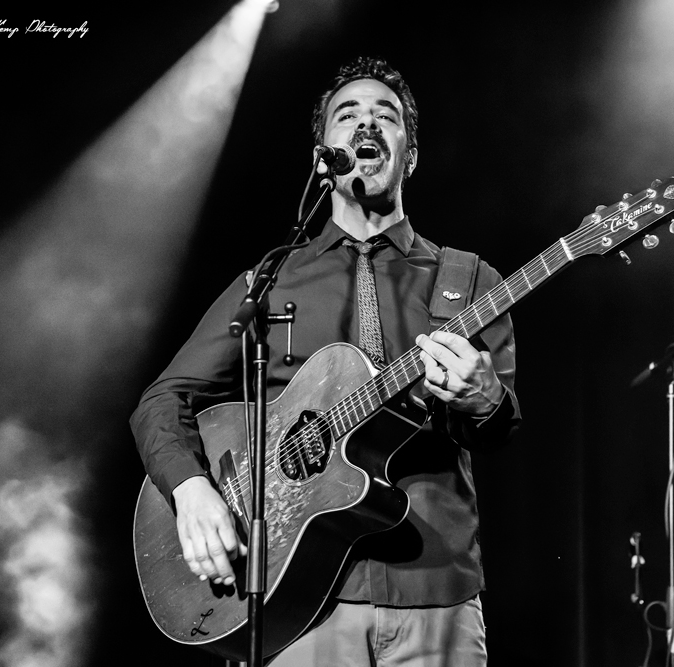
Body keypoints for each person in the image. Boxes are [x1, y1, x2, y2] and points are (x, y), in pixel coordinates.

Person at [131, 56, 520, 666]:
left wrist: (484, 396)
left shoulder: (468, 280)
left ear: (408, 154)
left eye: (385, 117)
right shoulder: (270, 278)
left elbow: (497, 428)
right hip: (297, 597)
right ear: (323, 154)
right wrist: (191, 488)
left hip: (434, 585)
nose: (367, 126)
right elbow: (162, 400)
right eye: (348, 115)